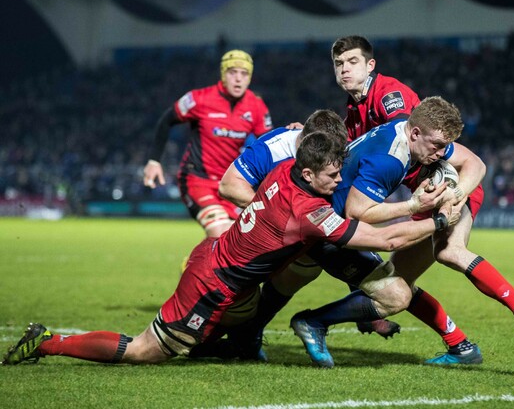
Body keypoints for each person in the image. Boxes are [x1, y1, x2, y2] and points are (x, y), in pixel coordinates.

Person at [2, 131, 452, 367]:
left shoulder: (283, 171)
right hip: (211, 284)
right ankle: (49, 343)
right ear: (309, 174)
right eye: (333, 176)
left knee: (237, 324)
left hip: (226, 269)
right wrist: (432, 218)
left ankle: (223, 342)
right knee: (146, 350)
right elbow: (386, 240)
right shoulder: (309, 213)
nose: (339, 182)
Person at [290, 96, 514, 367]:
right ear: (415, 133)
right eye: (437, 146)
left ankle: (461, 345)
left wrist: (455, 194)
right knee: (400, 290)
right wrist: (413, 206)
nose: (441, 153)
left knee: (408, 275)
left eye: (444, 146)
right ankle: (313, 322)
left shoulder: (413, 136)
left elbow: (476, 163)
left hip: (339, 222)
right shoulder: (389, 158)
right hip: (326, 229)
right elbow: (357, 212)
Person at [142, 49, 273, 238]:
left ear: (250, 78)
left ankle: (197, 259)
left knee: (241, 239)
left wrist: (290, 134)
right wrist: (154, 161)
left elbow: (269, 146)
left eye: (244, 74)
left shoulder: (256, 106)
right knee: (220, 230)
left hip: (230, 184)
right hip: (197, 179)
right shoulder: (199, 99)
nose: (238, 79)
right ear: (223, 74)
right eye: (232, 72)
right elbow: (166, 120)